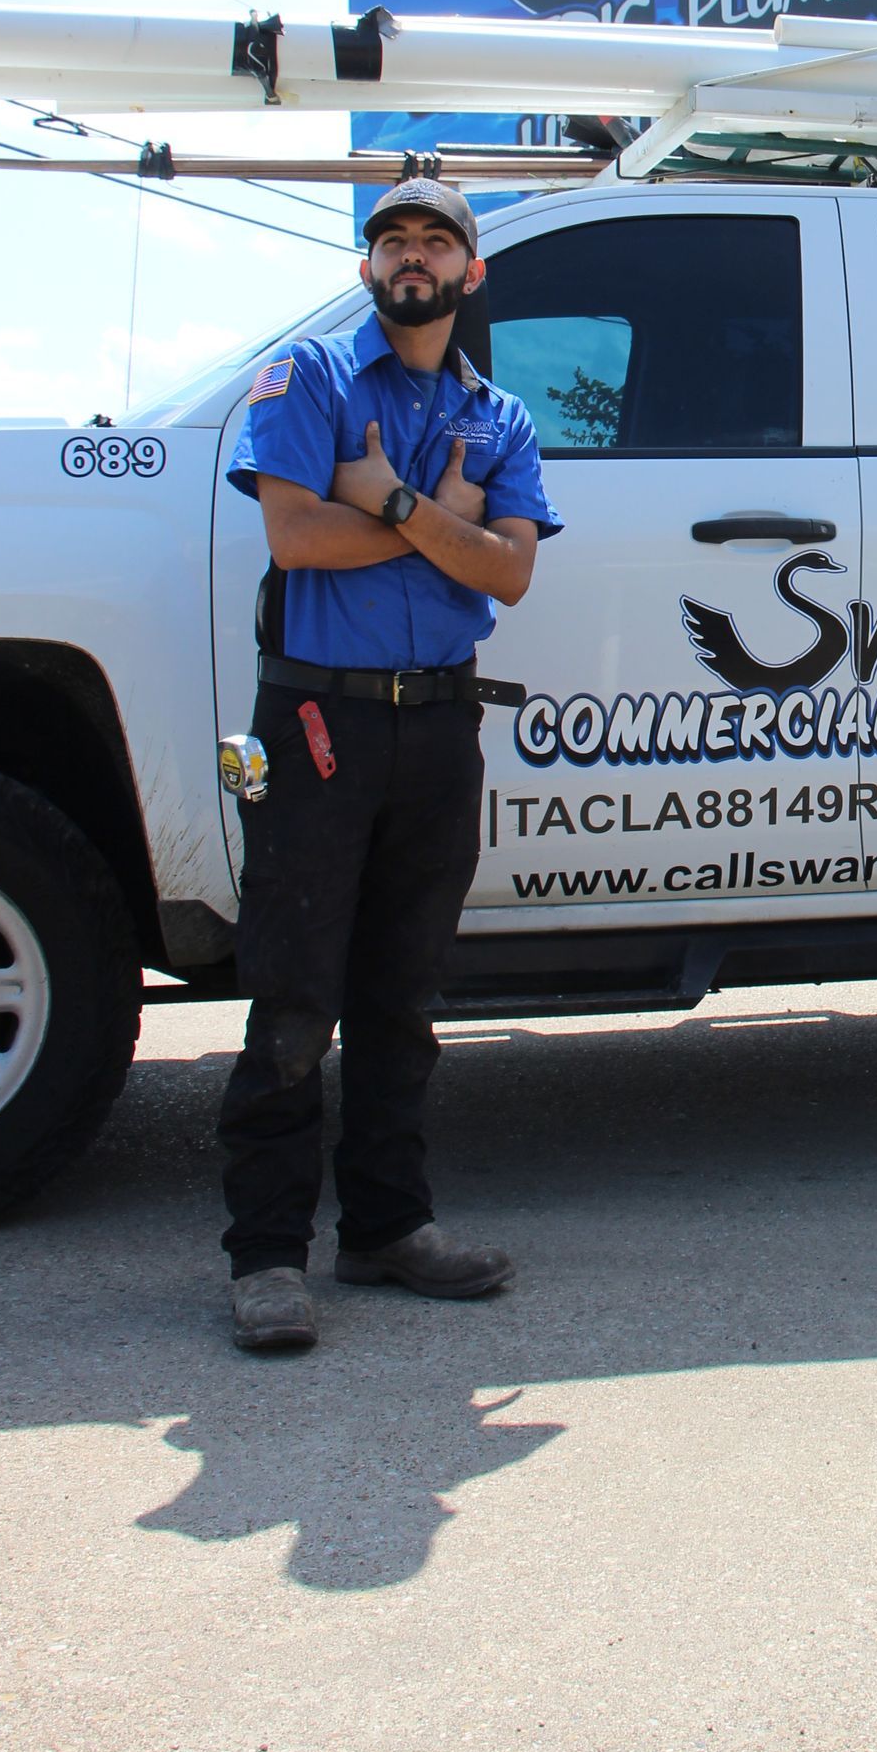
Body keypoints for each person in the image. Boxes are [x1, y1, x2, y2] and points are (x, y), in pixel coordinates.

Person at [218, 179, 559, 1351]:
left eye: (436, 241)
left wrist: (393, 498)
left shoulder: (498, 417)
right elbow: (296, 533)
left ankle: (386, 1229)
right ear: (369, 269)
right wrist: (441, 526)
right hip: (320, 725)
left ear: (472, 272)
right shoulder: (308, 378)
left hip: (438, 727)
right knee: (295, 995)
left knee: (402, 998)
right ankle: (266, 1259)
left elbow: (508, 577)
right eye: (393, 241)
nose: (413, 257)